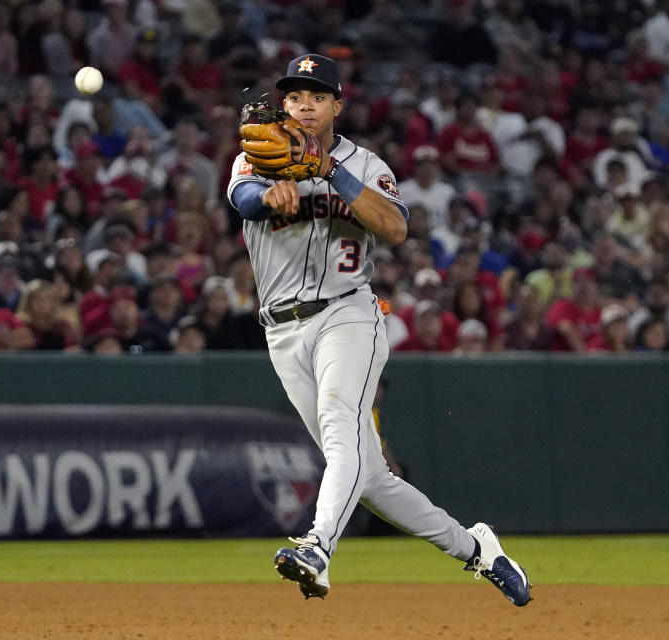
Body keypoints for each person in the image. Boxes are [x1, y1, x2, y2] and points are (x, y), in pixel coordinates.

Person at [227, 54, 531, 605]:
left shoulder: (365, 164)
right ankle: (478, 550)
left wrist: (328, 171)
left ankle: (317, 549)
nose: (304, 104)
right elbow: (242, 198)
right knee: (368, 479)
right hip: (281, 331)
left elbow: (394, 226)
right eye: (295, 95)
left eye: (317, 95)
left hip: (349, 313)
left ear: (336, 105)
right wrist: (268, 192)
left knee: (339, 423)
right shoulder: (260, 154)